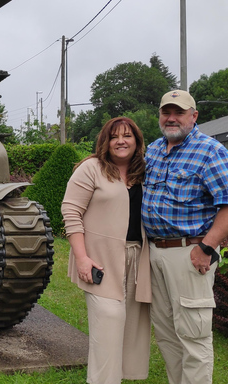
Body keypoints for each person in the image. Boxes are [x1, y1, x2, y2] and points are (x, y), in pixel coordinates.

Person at [142, 90, 228, 384]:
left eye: (179, 112)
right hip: (155, 253)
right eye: (167, 112)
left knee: (194, 335)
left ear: (194, 116)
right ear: (160, 115)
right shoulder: (152, 150)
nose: (172, 118)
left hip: (190, 254)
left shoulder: (210, 151)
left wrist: (206, 247)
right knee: (166, 333)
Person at [62, 117, 152, 384]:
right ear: (105, 141)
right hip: (99, 259)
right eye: (115, 137)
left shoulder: (146, 171)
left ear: (137, 141)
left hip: (138, 258)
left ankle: (123, 377)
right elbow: (71, 212)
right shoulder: (91, 168)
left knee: (133, 327)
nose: (121, 141)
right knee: (109, 321)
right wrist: (81, 258)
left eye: (127, 136)